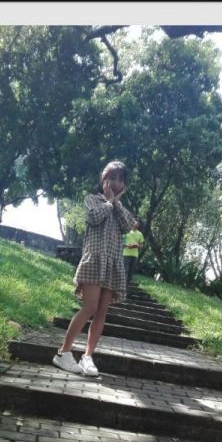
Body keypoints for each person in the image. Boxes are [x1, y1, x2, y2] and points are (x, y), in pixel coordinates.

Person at [52, 161, 137, 377]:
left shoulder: (121, 209)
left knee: (101, 312)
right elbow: (94, 217)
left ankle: (88, 357)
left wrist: (115, 203)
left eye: (121, 179)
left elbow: (128, 225)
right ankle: (63, 352)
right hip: (95, 260)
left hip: (112, 264)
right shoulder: (92, 200)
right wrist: (109, 201)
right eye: (112, 177)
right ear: (104, 179)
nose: (116, 182)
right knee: (89, 307)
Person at [122, 219, 145, 294]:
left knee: (130, 273)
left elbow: (141, 245)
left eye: (137, 223)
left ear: (138, 225)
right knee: (125, 271)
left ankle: (125, 288)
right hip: (126, 254)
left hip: (135, 256)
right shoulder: (126, 232)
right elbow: (121, 243)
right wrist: (127, 245)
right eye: (134, 223)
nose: (136, 224)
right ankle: (122, 288)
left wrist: (136, 245)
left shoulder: (140, 234)